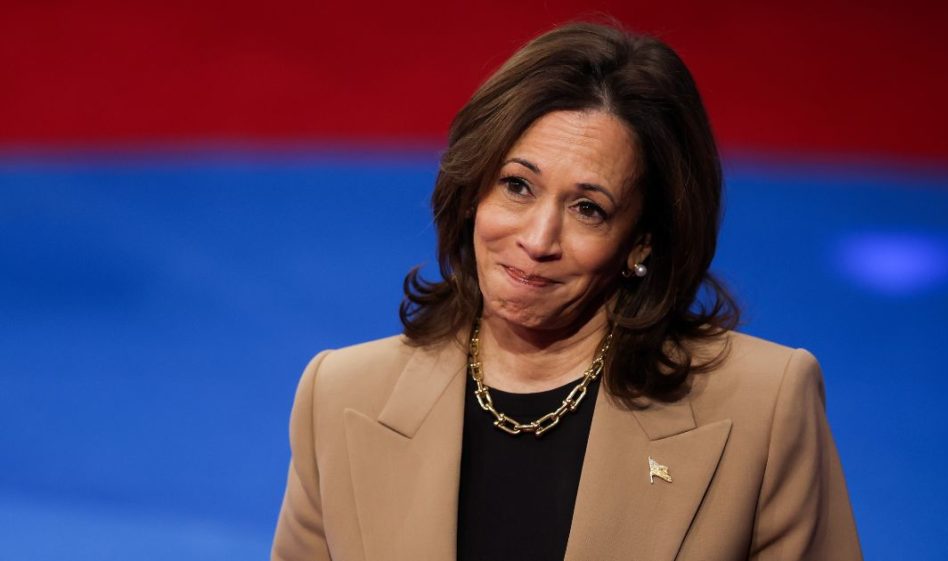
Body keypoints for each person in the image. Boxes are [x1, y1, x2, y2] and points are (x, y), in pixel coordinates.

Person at [271, 21, 862, 561]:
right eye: (517, 186)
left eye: (588, 208)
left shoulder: (762, 407)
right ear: (472, 190)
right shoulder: (341, 397)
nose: (537, 238)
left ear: (642, 242)